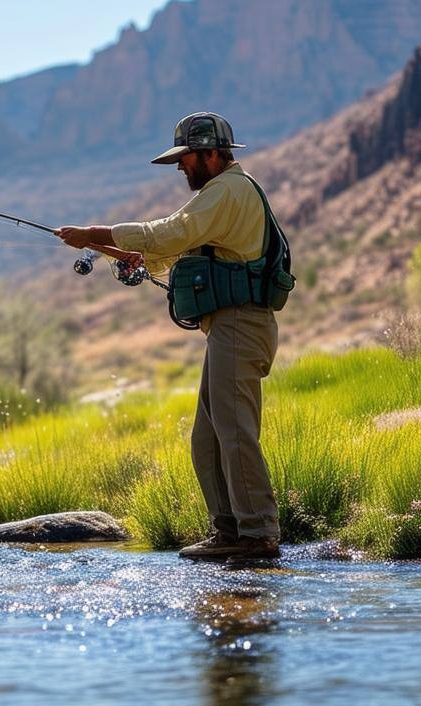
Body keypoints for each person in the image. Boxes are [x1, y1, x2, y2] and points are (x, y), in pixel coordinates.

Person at [54, 112, 281, 563]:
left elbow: (169, 233)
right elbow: (172, 249)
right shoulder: (220, 194)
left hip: (241, 324)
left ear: (214, 154)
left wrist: (93, 232)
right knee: (208, 437)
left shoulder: (229, 190)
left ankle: (257, 534)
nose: (181, 167)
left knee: (234, 432)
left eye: (187, 157)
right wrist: (107, 249)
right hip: (226, 327)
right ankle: (229, 531)